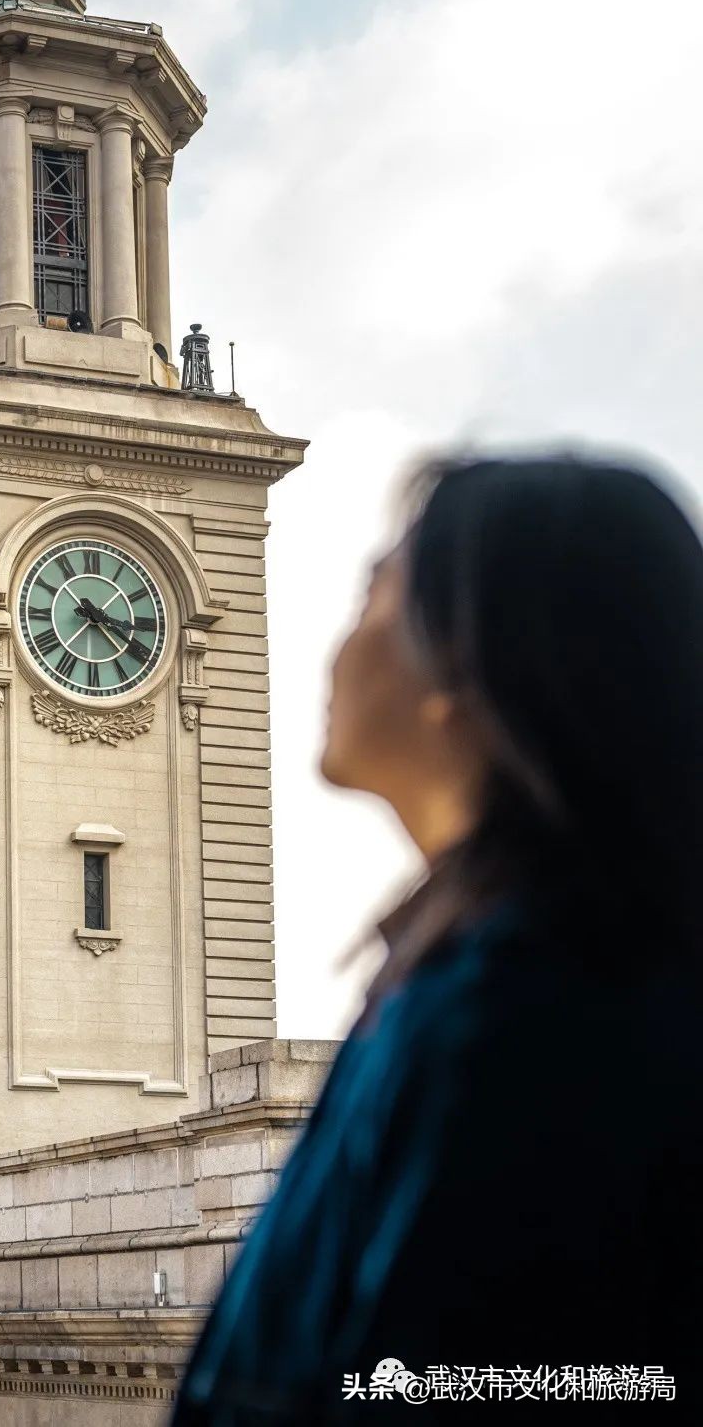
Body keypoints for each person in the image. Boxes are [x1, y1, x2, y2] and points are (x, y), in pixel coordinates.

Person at [171, 452, 703, 1423]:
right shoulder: (505, 978)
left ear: (464, 662)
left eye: (374, 595)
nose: (337, 648)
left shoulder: (518, 1014)